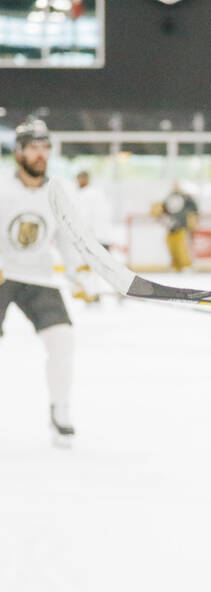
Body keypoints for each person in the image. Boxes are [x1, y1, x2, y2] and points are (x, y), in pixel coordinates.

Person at [0, 118, 99, 447]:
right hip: (2, 275)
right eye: (33, 148)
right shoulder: (3, 187)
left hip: (38, 278)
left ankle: (61, 411)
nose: (40, 154)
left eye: (45, 148)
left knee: (63, 339)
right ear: (19, 153)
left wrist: (80, 276)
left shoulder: (59, 192)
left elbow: (68, 241)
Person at [151, 182, 198, 270]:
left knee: (182, 247)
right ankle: (175, 266)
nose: (175, 187)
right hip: (171, 227)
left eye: (177, 185)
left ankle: (186, 265)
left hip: (181, 226)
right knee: (171, 247)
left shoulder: (186, 198)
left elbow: (194, 209)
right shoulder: (169, 198)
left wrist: (193, 218)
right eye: (174, 185)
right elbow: (163, 209)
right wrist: (158, 211)